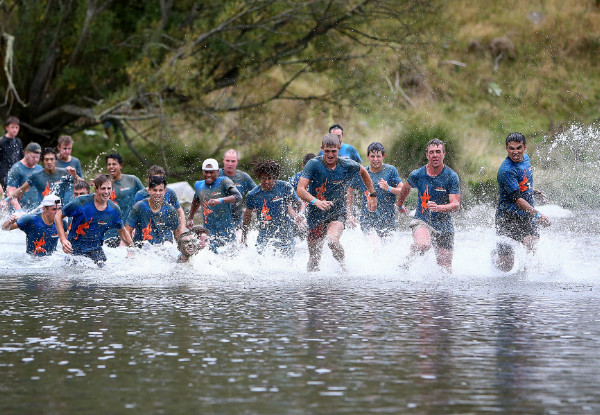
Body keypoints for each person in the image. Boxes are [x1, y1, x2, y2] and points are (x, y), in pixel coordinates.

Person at [297, 133, 377, 271]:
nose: (330, 155)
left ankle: (344, 268)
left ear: (339, 149)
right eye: (327, 151)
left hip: (337, 212)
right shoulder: (313, 164)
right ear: (322, 149)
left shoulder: (346, 164)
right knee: (314, 258)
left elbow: (363, 171)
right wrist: (316, 201)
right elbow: (300, 190)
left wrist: (373, 193)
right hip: (315, 214)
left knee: (332, 241)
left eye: (333, 151)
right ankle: (311, 286)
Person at [395, 138, 461, 272]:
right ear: (427, 155)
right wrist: (400, 205)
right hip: (422, 219)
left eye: (438, 152)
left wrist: (439, 208)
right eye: (431, 152)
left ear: (444, 154)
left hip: (444, 224)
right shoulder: (417, 174)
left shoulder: (451, 176)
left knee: (446, 269)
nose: (435, 155)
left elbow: (455, 204)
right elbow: (405, 189)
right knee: (424, 245)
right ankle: (408, 261)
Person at [493, 132, 551, 271]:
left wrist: (532, 191)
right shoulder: (506, 170)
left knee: (531, 243)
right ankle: (494, 257)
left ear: (524, 147)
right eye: (511, 148)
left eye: (518, 148)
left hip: (526, 215)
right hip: (507, 217)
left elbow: (523, 181)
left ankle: (527, 277)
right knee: (506, 267)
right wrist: (537, 214)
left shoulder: (526, 159)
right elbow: (517, 199)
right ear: (507, 149)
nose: (515, 152)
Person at [55, 174, 134, 266]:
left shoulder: (114, 209)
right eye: (103, 188)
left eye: (109, 188)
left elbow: (122, 231)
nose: (106, 192)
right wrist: (63, 240)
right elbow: (58, 216)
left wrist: (132, 249)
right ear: (96, 189)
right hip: (74, 251)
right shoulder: (81, 202)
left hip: (96, 251)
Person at [242, 160, 305, 256]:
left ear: (275, 177)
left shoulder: (284, 187)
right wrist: (244, 236)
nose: (267, 182)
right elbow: (247, 217)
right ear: (259, 177)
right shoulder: (253, 194)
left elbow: (300, 203)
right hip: (265, 238)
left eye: (270, 178)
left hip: (286, 237)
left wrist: (300, 215)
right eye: (264, 178)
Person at [347, 142, 404, 238]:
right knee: (374, 245)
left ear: (383, 156)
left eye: (378, 156)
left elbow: (402, 191)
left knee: (386, 251)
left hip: (387, 221)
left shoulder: (390, 170)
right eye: (372, 156)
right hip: (367, 220)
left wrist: (389, 188)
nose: (376, 159)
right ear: (367, 157)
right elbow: (350, 191)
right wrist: (349, 215)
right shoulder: (362, 173)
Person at [187, 158, 242, 249]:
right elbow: (196, 200)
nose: (208, 175)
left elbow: (238, 197)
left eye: (211, 172)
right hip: (208, 230)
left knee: (228, 256)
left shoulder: (224, 181)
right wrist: (190, 218)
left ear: (217, 171)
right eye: (206, 172)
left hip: (226, 229)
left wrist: (219, 200)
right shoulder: (198, 185)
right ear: (202, 171)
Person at [9, 148, 80, 211]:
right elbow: (21, 189)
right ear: (43, 161)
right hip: (43, 211)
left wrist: (75, 176)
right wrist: (6, 200)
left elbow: (80, 185)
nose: (49, 162)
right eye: (46, 159)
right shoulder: (36, 175)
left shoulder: (64, 173)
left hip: (59, 210)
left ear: (56, 160)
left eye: (51, 159)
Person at [125, 175, 181, 246]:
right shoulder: (139, 207)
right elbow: (128, 230)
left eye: (160, 190)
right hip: (142, 248)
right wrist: (131, 248)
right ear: (149, 190)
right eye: (155, 190)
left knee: (168, 245)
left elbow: (177, 233)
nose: (157, 193)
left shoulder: (170, 210)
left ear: (165, 191)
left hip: (164, 248)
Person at [103, 153, 145, 246]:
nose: (111, 167)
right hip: (109, 232)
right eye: (109, 164)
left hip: (129, 229)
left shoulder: (132, 180)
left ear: (121, 165)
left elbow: (146, 199)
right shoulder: (103, 184)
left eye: (114, 164)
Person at [134, 165, 185, 235]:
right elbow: (135, 216)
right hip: (146, 233)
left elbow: (180, 212)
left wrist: (182, 231)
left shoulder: (170, 193)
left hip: (164, 232)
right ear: (148, 180)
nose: (158, 182)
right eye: (155, 180)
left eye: (161, 179)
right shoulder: (140, 195)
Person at [219, 149, 256, 228]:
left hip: (236, 219)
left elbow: (257, 192)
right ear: (223, 160)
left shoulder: (243, 177)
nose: (230, 164)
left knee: (238, 239)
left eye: (233, 161)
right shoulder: (216, 175)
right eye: (227, 161)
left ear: (237, 161)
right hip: (218, 217)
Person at [5, 142, 43, 212]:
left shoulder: (40, 169)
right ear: (26, 154)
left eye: (38, 157)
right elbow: (10, 191)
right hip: (19, 210)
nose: (36, 160)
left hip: (35, 209)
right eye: (33, 157)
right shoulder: (17, 168)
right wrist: (19, 210)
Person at [55, 135, 84, 205]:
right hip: (56, 195)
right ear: (58, 147)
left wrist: (75, 175)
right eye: (64, 148)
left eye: (69, 149)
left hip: (70, 196)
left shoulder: (75, 162)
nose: (67, 151)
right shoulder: (52, 160)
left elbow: (82, 182)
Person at [0, 116, 24, 190]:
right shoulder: (1, 142)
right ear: (7, 128)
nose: (15, 130)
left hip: (16, 174)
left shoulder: (18, 142)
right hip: (3, 175)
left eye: (16, 128)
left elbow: (21, 158)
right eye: (12, 127)